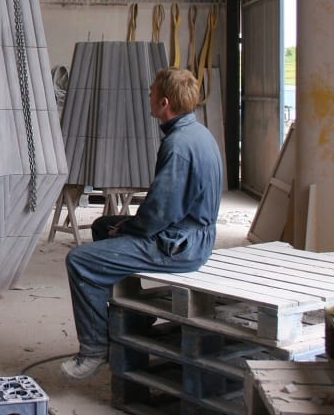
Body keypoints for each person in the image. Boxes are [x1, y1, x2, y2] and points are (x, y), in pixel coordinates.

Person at [60, 66, 223, 381]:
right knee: (102, 225)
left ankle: (94, 349)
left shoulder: (178, 147)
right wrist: (122, 225)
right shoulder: (197, 132)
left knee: (79, 260)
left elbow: (159, 213)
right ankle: (130, 319)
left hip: (179, 245)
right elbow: (167, 205)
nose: (147, 95)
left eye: (151, 92)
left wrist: (130, 228)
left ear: (164, 103)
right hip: (190, 231)